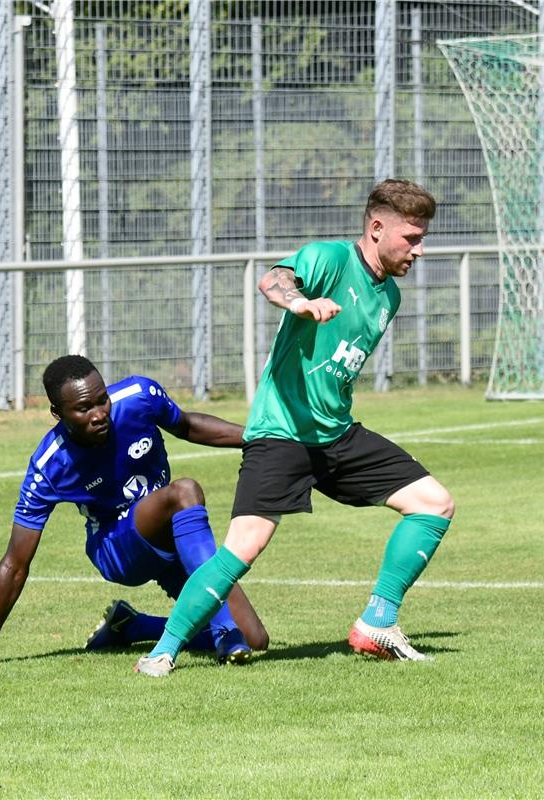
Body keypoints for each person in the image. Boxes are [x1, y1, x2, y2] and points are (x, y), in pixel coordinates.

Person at [134, 179, 455, 677]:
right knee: (244, 547)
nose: (419, 249)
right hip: (281, 433)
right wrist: (299, 303)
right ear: (376, 228)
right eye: (411, 237)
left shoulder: (389, 296)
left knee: (434, 503)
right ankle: (163, 651)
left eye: (422, 238)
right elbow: (273, 280)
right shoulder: (329, 259)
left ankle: (378, 621)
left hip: (336, 434)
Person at [0, 355, 269, 667]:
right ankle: (225, 632)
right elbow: (15, 563)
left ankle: (134, 626)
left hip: (174, 536)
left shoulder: (139, 397)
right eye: (83, 408)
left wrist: (261, 440)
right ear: (57, 413)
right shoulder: (50, 465)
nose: (98, 414)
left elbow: (186, 425)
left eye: (101, 400)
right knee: (184, 492)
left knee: (254, 639)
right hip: (116, 548)